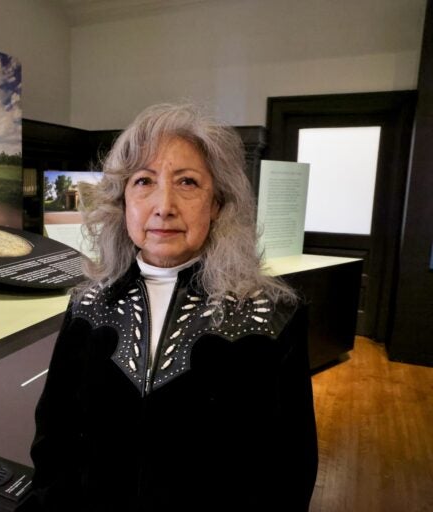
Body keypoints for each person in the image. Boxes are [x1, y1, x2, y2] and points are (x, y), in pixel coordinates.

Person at [30, 103, 318, 511]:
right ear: (123, 201)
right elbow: (54, 437)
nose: (164, 205)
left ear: (217, 203)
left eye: (187, 182)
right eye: (144, 181)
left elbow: (289, 469)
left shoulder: (271, 315)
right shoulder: (87, 305)